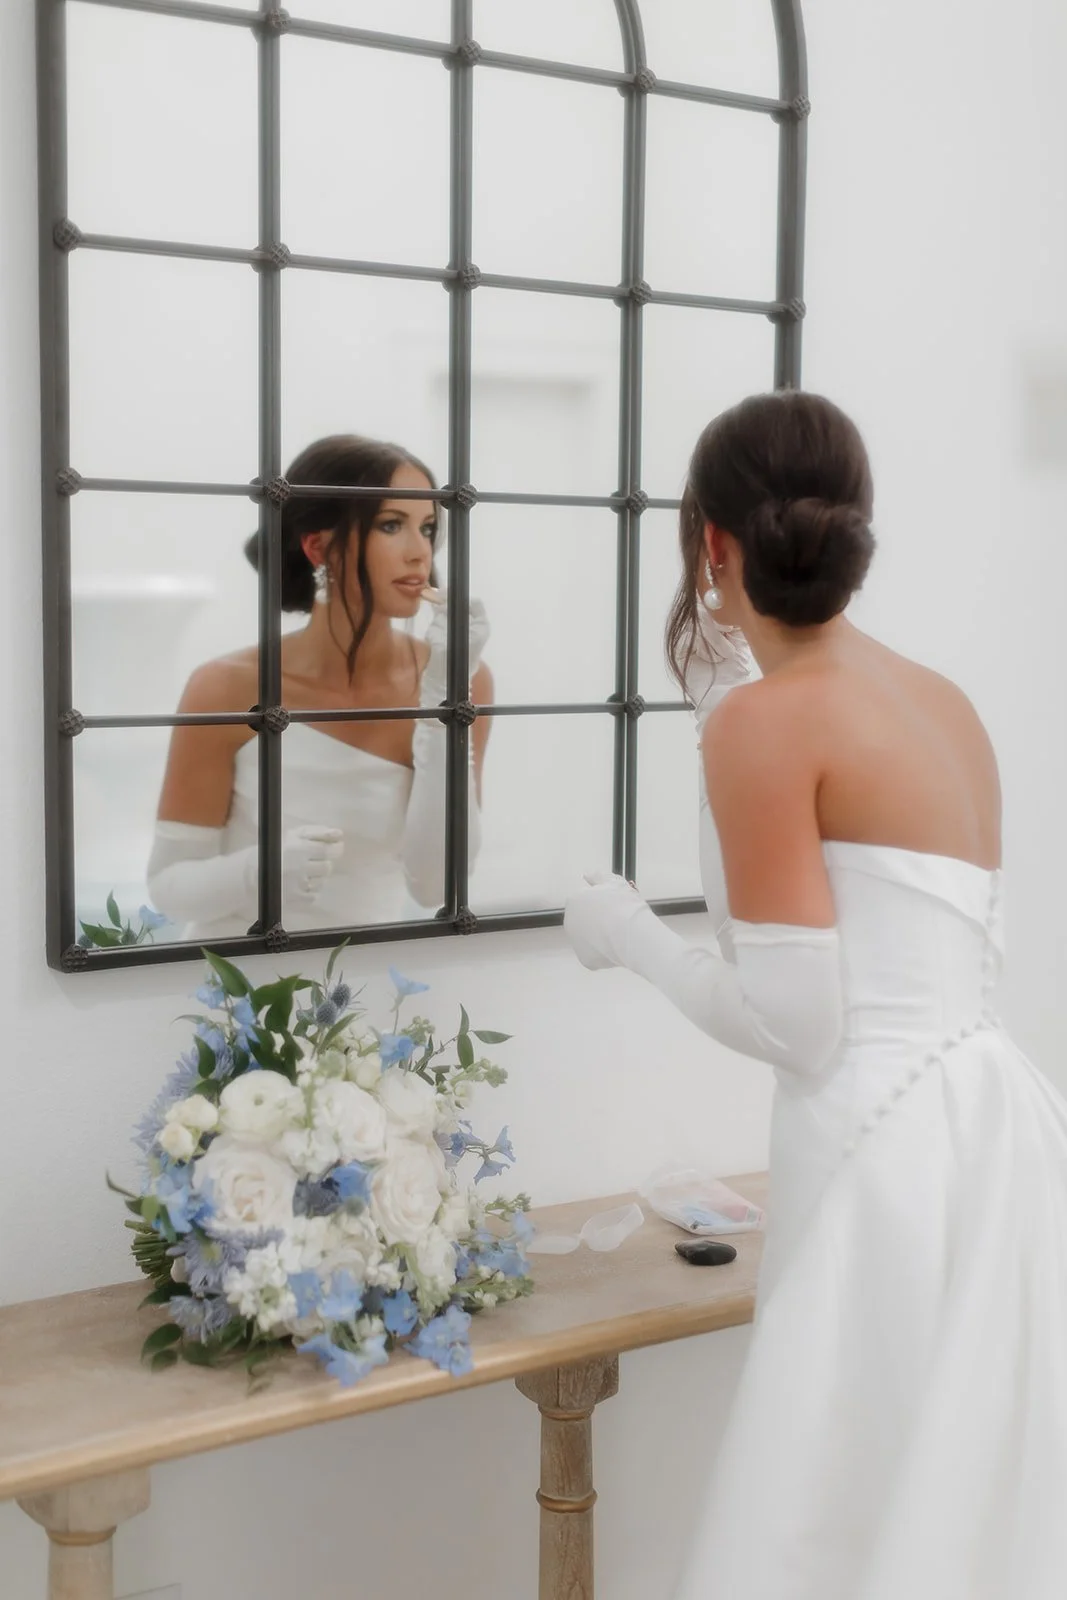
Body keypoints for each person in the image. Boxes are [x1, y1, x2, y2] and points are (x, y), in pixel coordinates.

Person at [564, 390, 1067, 1599]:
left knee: (834, 1507)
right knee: (962, 1500)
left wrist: (626, 932)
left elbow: (795, 1025)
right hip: (996, 1127)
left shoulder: (765, 723)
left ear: (711, 541)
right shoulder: (937, 697)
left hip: (873, 1150)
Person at [146, 435, 491, 938]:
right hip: (234, 996)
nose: (420, 552)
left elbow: (436, 886)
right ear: (318, 546)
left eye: (428, 528)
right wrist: (259, 873)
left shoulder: (466, 680)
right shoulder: (224, 687)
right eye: (391, 525)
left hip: (365, 997)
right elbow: (167, 886)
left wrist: (444, 700)